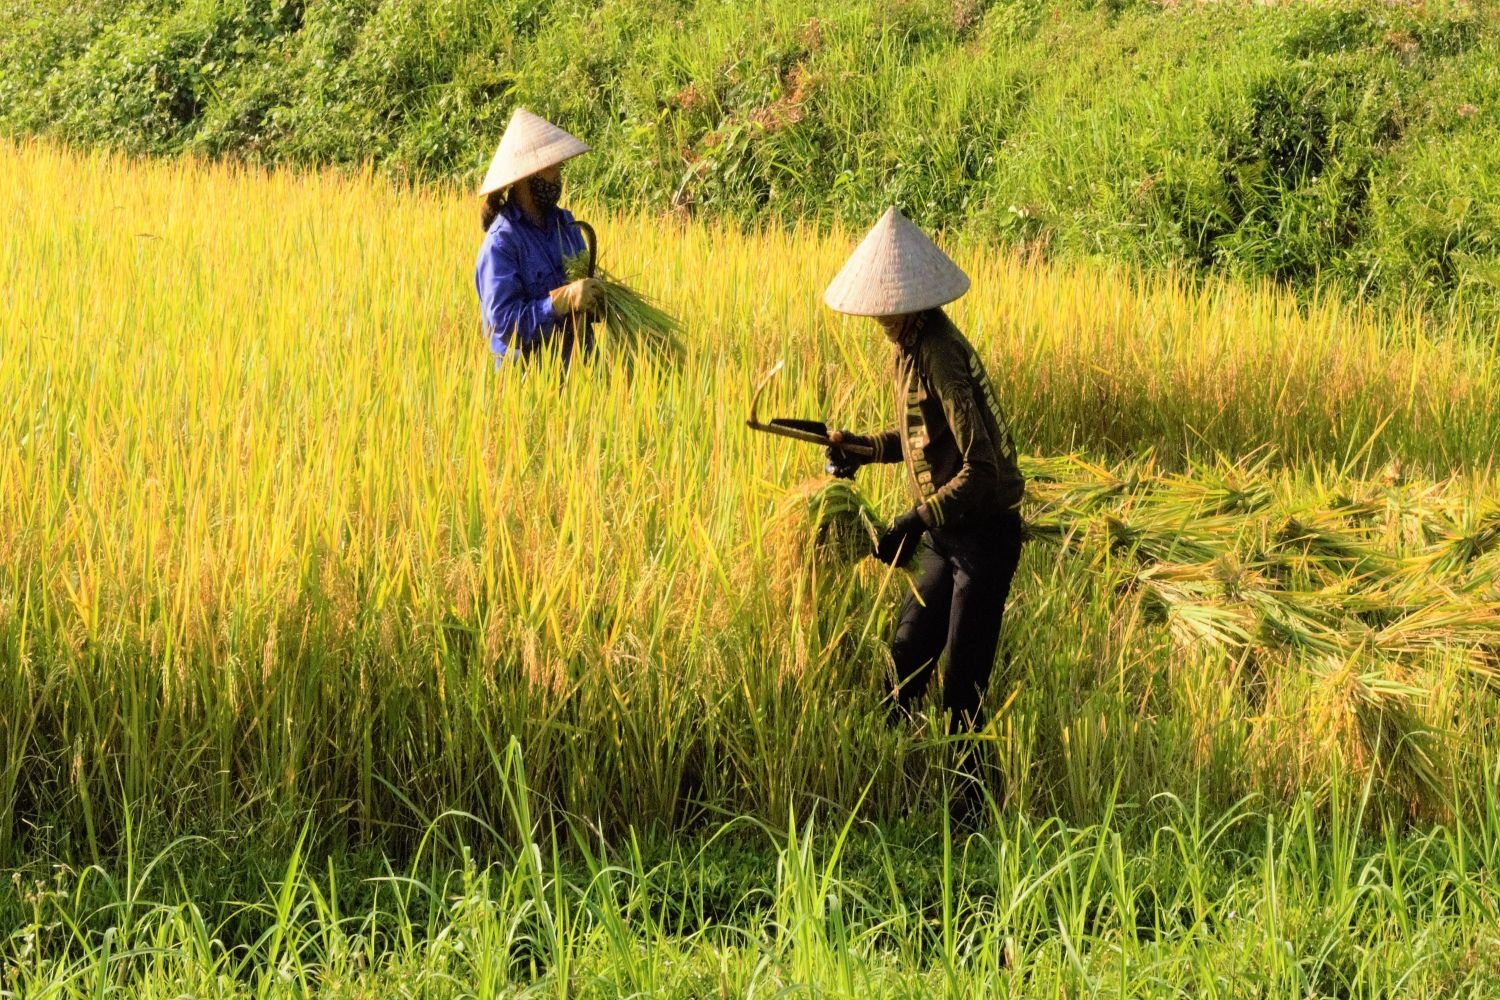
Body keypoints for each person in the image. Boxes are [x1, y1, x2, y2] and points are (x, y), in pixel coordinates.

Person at [823, 208, 1026, 745]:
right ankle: (889, 781)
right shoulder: (907, 349)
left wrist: (914, 518)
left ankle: (971, 817)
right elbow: (917, 438)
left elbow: (979, 469)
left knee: (962, 692)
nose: (878, 318)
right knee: (907, 657)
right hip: (946, 533)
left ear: (910, 302)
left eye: (887, 309)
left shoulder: (938, 351)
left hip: (983, 536)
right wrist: (861, 449)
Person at [474, 108, 601, 370]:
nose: (558, 178)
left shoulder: (566, 225)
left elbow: (585, 301)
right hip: (527, 385)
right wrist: (559, 302)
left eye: (559, 169)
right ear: (525, 178)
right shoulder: (502, 244)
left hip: (580, 376)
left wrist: (597, 296)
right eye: (551, 170)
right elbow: (505, 325)